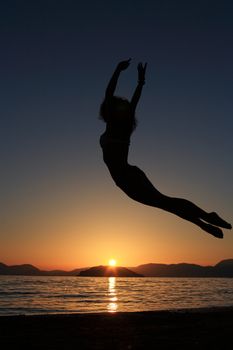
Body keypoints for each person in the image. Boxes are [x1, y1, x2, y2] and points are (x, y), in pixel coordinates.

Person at [99, 58, 232, 238]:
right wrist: (140, 82)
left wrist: (118, 70)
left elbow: (110, 94)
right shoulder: (121, 127)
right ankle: (204, 221)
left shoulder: (116, 128)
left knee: (165, 203)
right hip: (129, 177)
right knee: (166, 203)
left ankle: (205, 219)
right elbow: (131, 101)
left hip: (128, 179)